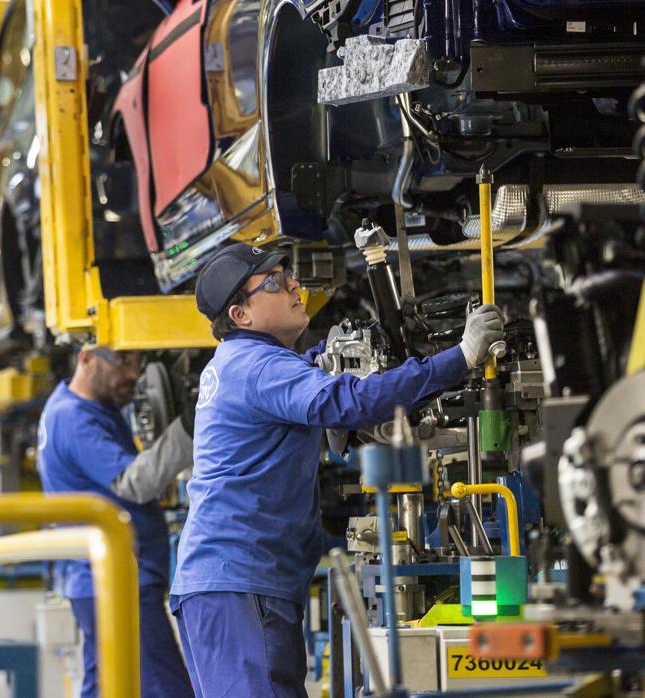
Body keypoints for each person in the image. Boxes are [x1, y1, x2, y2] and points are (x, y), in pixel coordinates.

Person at [171, 243, 505, 696]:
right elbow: (346, 403)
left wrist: (318, 364)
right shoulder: (257, 367)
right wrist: (459, 357)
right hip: (241, 583)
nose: (293, 284)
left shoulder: (239, 363)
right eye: (273, 281)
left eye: (286, 271)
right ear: (241, 314)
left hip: (233, 581)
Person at [37, 345, 195, 698]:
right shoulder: (75, 419)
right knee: (166, 690)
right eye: (123, 361)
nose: (133, 373)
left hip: (98, 581)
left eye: (139, 362)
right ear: (86, 357)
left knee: (104, 689)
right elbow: (134, 481)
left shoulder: (81, 408)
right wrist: (188, 428)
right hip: (117, 582)